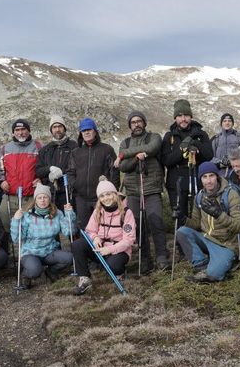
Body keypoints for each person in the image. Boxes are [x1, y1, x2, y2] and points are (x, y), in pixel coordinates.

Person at [176, 162, 240, 283]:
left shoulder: (230, 195)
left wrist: (219, 214)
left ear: (217, 176)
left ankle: (218, 266)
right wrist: (183, 219)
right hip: (207, 238)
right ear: (201, 179)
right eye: (205, 177)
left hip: (226, 244)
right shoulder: (199, 196)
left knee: (213, 275)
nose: (209, 181)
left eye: (211, 176)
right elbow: (197, 224)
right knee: (182, 232)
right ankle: (201, 265)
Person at [117, 111, 170, 272]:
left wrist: (124, 155)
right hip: (133, 191)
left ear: (145, 123)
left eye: (139, 121)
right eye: (133, 122)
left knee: (156, 223)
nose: (137, 124)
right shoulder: (125, 142)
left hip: (152, 189)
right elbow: (123, 167)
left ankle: (162, 257)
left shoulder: (154, 138)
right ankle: (144, 258)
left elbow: (152, 148)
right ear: (130, 125)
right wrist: (136, 158)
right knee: (138, 226)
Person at [70, 176, 136, 295]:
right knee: (77, 245)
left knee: (113, 266)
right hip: (100, 248)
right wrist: (95, 238)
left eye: (109, 194)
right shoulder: (98, 211)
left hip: (119, 250)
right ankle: (84, 278)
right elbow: (90, 230)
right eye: (102, 196)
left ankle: (119, 272)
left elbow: (129, 240)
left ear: (115, 194)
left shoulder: (126, 213)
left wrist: (110, 249)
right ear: (99, 199)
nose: (106, 198)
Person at [11, 183, 76, 288]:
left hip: (49, 251)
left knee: (70, 258)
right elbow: (16, 239)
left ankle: (51, 271)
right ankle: (26, 275)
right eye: (39, 197)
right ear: (35, 200)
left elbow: (69, 232)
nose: (42, 200)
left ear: (49, 199)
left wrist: (69, 215)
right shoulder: (27, 215)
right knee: (35, 270)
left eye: (45, 197)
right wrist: (16, 220)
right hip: (30, 252)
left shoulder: (57, 213)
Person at [161, 99, 214, 227]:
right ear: (175, 118)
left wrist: (196, 145)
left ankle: (200, 243)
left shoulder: (201, 134)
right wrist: (182, 150)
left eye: (186, 115)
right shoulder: (170, 136)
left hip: (198, 179)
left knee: (201, 212)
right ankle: (181, 245)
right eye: (179, 116)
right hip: (176, 181)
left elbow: (209, 156)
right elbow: (166, 160)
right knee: (180, 214)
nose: (183, 119)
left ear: (191, 116)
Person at [67, 118, 119, 232]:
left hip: (102, 198)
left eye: (89, 129)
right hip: (81, 198)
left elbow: (114, 172)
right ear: (81, 133)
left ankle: (103, 250)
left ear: (95, 131)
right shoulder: (76, 152)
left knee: (103, 228)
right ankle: (86, 250)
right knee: (84, 229)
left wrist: (113, 192)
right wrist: (76, 184)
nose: (86, 132)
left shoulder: (107, 149)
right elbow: (70, 171)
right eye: (83, 130)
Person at [0, 118, 42, 226]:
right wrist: (1, 182)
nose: (20, 133)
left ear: (29, 130)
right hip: (10, 196)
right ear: (13, 133)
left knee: (31, 226)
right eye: (17, 130)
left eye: (23, 129)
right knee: (3, 222)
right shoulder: (5, 149)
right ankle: (7, 243)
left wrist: (41, 180)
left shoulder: (38, 147)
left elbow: (44, 167)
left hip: (31, 197)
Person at [35, 115, 77, 208]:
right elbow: (38, 171)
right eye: (54, 127)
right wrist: (49, 169)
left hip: (69, 192)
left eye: (60, 126)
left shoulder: (74, 147)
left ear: (64, 128)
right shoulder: (45, 150)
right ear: (51, 130)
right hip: (50, 194)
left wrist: (62, 172)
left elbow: (79, 167)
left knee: (69, 219)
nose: (57, 129)